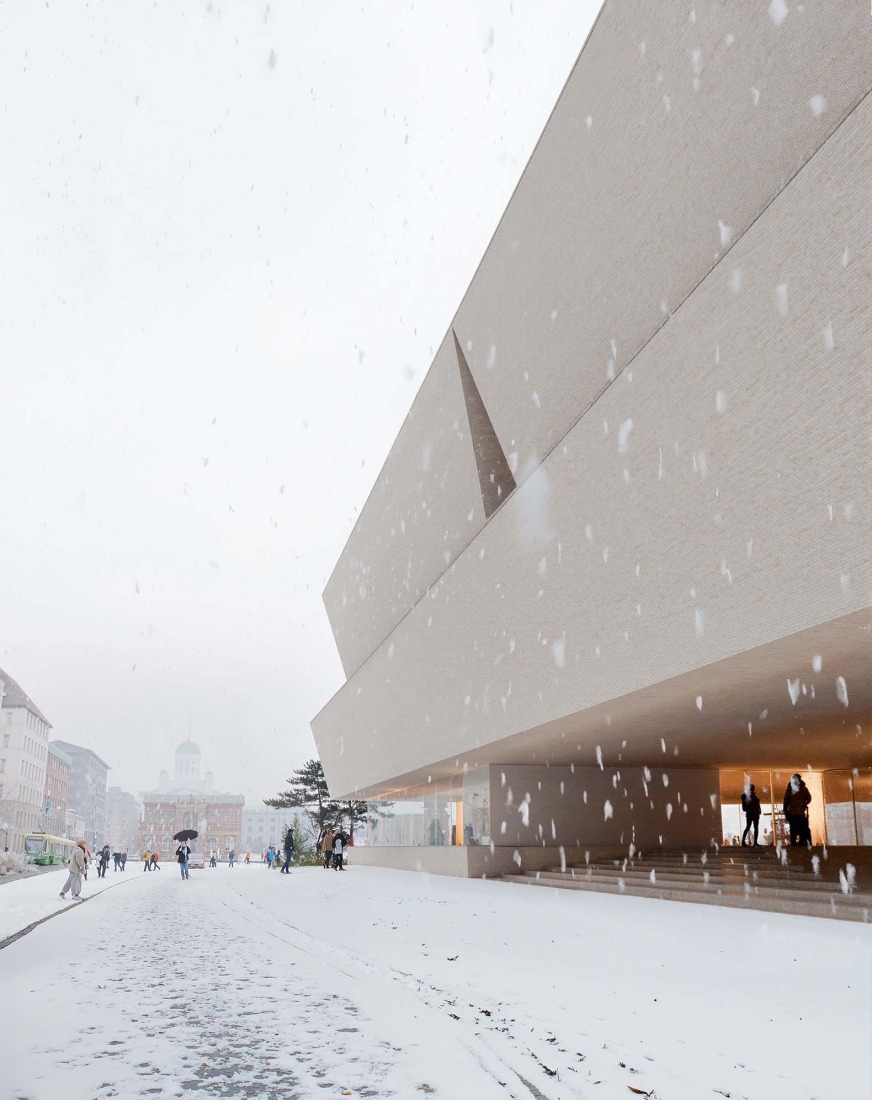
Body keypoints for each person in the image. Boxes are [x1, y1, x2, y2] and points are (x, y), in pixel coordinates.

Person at [783, 773, 812, 846]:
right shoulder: (803, 788)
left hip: (794, 812)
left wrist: (786, 811)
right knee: (800, 828)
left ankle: (795, 842)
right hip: (799, 812)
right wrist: (804, 803)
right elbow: (809, 798)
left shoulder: (791, 789)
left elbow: (786, 801)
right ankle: (801, 841)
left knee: (794, 828)